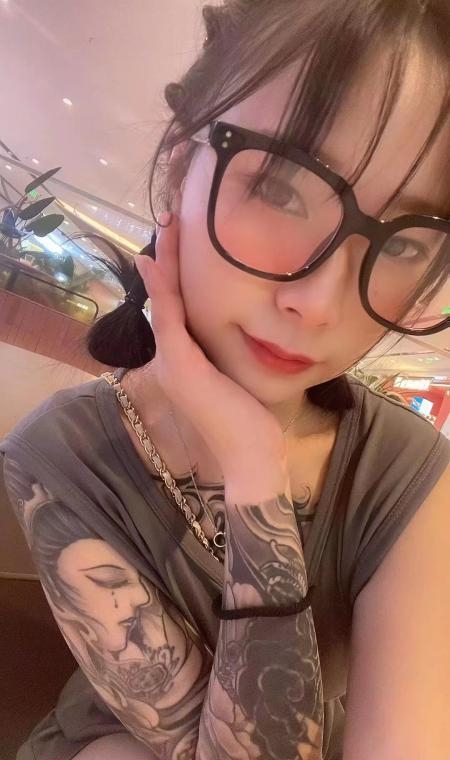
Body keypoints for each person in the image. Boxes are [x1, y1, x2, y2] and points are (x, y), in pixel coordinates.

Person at [1, 1, 450, 758]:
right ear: (178, 167)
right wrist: (253, 464)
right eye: (279, 188)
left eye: (405, 241)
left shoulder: (407, 474)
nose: (319, 301)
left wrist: (251, 459)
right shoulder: (61, 454)